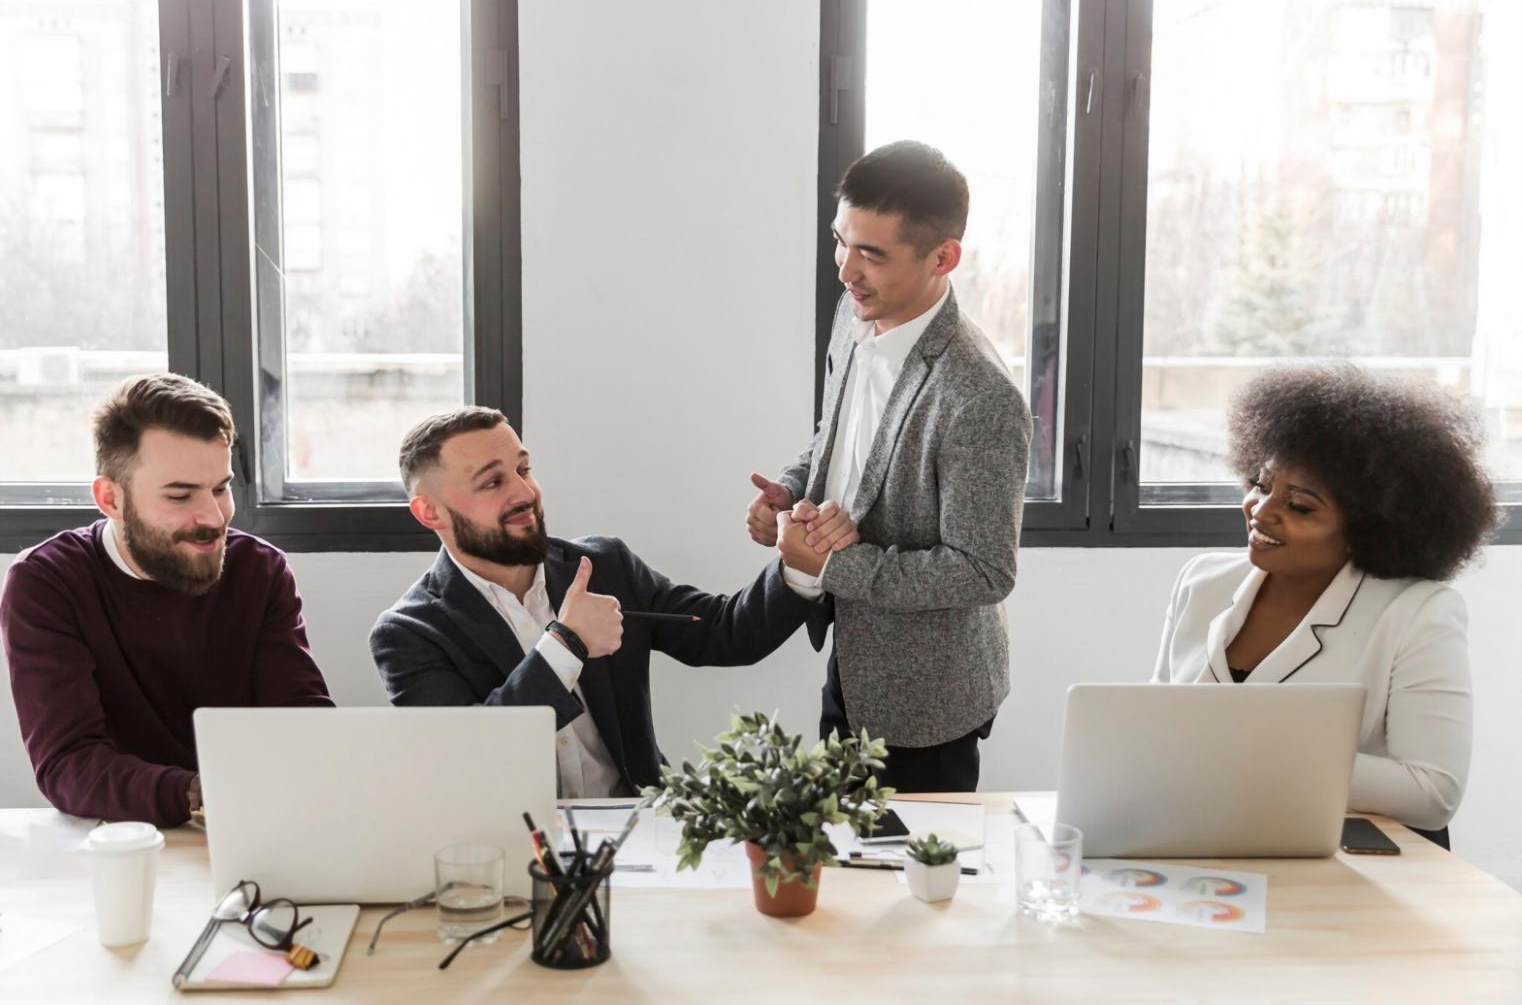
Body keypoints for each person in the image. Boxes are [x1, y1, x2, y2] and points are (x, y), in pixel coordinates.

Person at [745, 141, 1033, 792]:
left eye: (871, 254)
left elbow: (985, 569)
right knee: (838, 845)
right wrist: (790, 490)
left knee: (911, 860)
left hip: (927, 702)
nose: (847, 270)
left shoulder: (981, 395)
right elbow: (838, 438)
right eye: (840, 241)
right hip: (852, 661)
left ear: (944, 257)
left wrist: (832, 565)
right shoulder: (855, 312)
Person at [369, 407, 836, 798]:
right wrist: (566, 645)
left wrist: (799, 565)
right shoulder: (408, 633)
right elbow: (471, 757)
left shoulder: (604, 565)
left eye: (524, 470)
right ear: (429, 512)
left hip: (640, 828)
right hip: (513, 846)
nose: (525, 493)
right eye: (492, 482)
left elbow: (725, 632)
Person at [1153, 364, 1499, 846]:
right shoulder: (1201, 581)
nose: (1261, 511)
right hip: (1203, 840)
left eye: (1299, 506)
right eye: (1261, 485)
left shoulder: (1417, 613)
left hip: (1341, 858)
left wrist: (1260, 758)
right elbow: (1156, 730)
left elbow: (1432, 792)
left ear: (1367, 528)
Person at [0, 374, 333, 827]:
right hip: (118, 837)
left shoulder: (260, 570)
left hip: (254, 821)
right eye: (180, 495)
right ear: (111, 499)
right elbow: (68, 764)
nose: (213, 517)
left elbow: (302, 723)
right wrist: (199, 792)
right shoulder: (48, 582)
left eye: (221, 488)